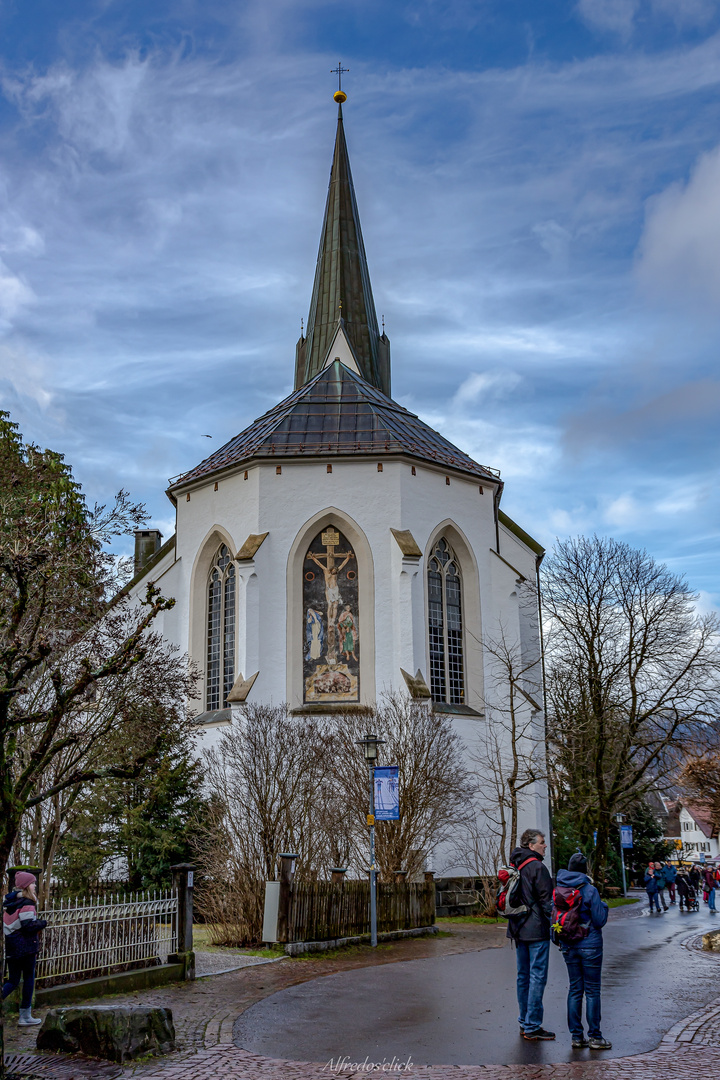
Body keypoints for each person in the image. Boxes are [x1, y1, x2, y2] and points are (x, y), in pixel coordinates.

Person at [556, 853, 611, 1051]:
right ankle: (595, 1037)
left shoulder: (559, 888)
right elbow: (599, 920)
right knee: (593, 991)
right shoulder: (590, 889)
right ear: (585, 869)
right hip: (590, 945)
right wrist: (603, 906)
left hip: (568, 945)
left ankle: (576, 1037)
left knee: (575, 989)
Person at [507, 828, 555, 1041]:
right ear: (531, 845)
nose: (545, 846)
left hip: (518, 928)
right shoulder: (538, 868)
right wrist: (557, 927)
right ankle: (533, 1025)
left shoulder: (515, 865)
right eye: (542, 842)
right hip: (536, 930)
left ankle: (523, 1021)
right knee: (537, 976)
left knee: (523, 976)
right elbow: (547, 903)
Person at [2, 871, 47, 1026]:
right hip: (26, 947)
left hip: (12, 947)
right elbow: (28, 926)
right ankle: (25, 1016)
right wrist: (43, 923)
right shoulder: (27, 903)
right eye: (33, 883)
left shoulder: (9, 903)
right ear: (27, 886)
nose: (35, 886)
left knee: (13, 980)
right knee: (28, 978)